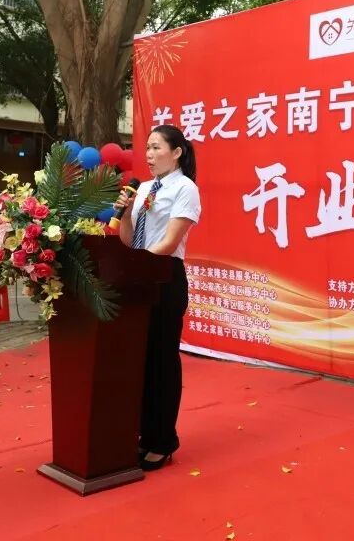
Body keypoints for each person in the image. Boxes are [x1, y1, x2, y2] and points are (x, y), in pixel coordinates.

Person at [114, 124, 201, 471]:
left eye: (156, 148)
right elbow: (126, 240)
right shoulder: (144, 188)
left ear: (176, 152)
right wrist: (125, 212)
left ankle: (162, 440)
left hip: (164, 278)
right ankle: (141, 432)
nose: (149, 155)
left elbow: (168, 243)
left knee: (162, 361)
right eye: (147, 148)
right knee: (138, 362)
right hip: (138, 278)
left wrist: (140, 267)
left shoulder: (186, 188)